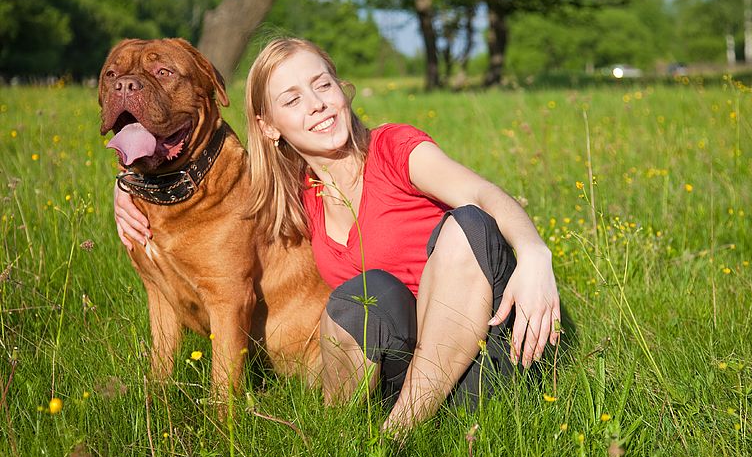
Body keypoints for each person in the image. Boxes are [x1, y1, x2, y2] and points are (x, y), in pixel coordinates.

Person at [114, 37, 560, 435]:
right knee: (367, 296)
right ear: (269, 126)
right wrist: (130, 188)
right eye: (292, 99)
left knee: (469, 225)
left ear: (341, 90)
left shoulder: (394, 149)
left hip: (487, 360)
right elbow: (215, 189)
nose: (317, 104)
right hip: (404, 372)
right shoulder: (294, 193)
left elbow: (483, 194)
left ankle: (395, 435)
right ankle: (337, 435)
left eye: (322, 85)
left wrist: (535, 253)